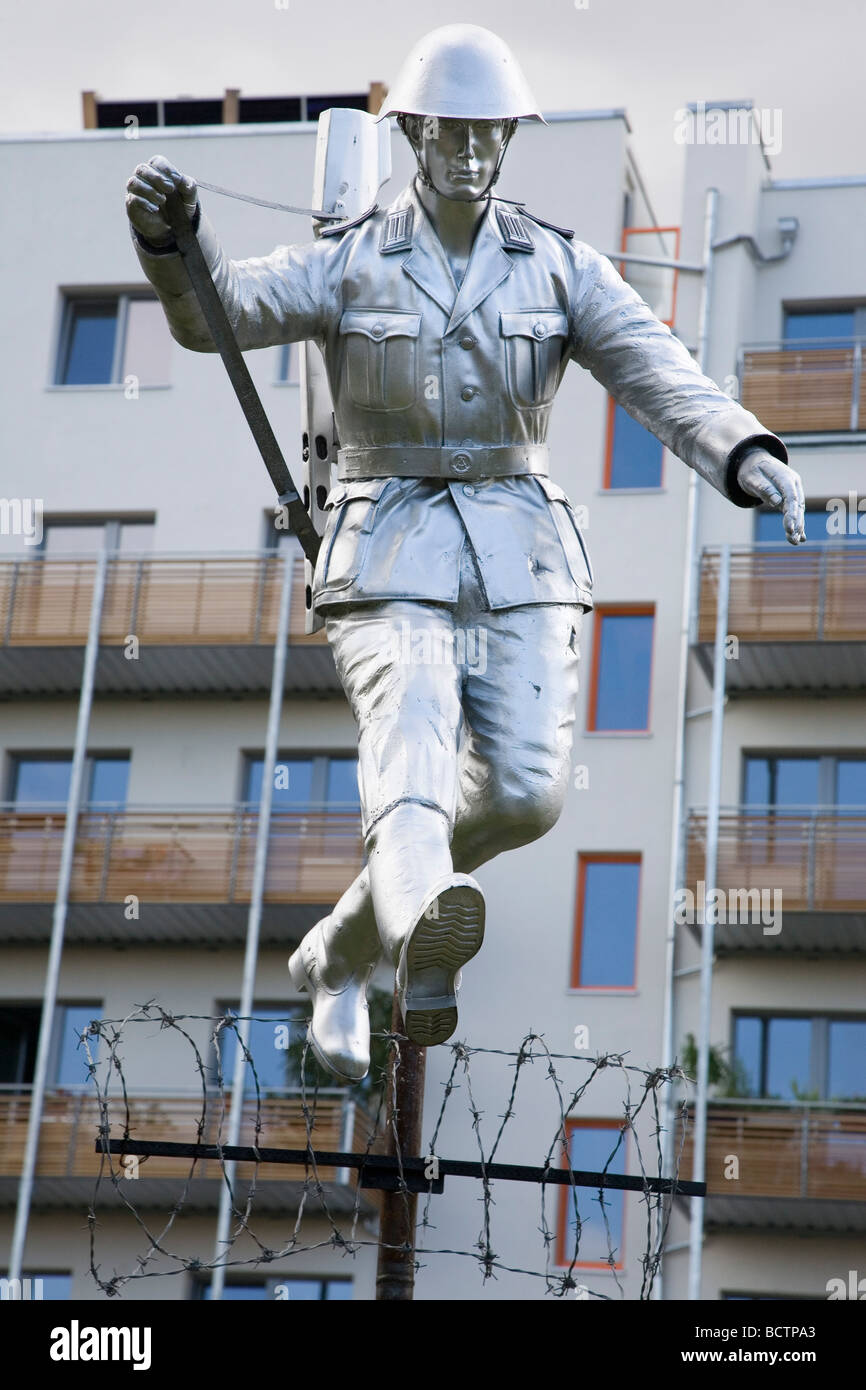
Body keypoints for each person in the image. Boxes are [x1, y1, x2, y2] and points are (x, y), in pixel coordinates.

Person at [125, 24, 805, 1081]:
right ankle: (414, 937)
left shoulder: (556, 263)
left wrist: (741, 450)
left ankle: (339, 955)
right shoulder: (352, 259)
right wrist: (176, 249)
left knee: (526, 794)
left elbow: (654, 367)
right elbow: (219, 316)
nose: (475, 153)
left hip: (521, 550)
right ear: (413, 134)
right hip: (389, 539)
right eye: (454, 132)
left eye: (492, 134)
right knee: (414, 729)